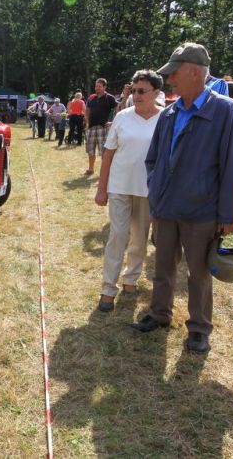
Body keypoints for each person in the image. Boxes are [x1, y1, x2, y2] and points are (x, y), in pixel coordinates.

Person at [131, 43, 233, 354]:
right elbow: (153, 159)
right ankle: (159, 314)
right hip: (166, 207)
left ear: (195, 72)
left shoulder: (224, 111)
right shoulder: (169, 113)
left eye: (174, 73)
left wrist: (229, 214)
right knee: (163, 267)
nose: (169, 80)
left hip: (202, 210)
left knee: (199, 272)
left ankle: (198, 328)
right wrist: (156, 189)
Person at [95, 70, 164, 311]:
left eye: (141, 91)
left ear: (156, 92)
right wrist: (101, 189)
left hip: (148, 190)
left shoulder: (166, 118)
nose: (136, 95)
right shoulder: (123, 117)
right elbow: (108, 154)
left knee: (140, 238)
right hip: (119, 187)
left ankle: (131, 279)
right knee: (118, 235)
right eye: (133, 91)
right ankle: (108, 287)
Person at [83, 78, 117, 175]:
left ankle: (105, 171)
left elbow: (117, 110)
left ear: (104, 87)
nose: (97, 88)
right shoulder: (91, 98)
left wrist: (112, 122)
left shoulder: (109, 98)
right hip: (91, 127)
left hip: (103, 127)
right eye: (96, 86)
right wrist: (87, 122)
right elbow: (87, 110)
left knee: (104, 151)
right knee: (90, 149)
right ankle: (90, 169)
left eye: (99, 86)